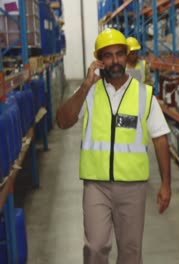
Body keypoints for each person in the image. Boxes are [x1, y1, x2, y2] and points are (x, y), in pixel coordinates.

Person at [56, 28, 171, 264]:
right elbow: (62, 121)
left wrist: (166, 184)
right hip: (96, 185)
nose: (115, 60)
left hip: (133, 186)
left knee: (130, 252)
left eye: (119, 54)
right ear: (99, 59)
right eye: (108, 55)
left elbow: (160, 138)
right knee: (95, 248)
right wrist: (85, 85)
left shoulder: (144, 94)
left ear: (127, 56)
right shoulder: (89, 93)